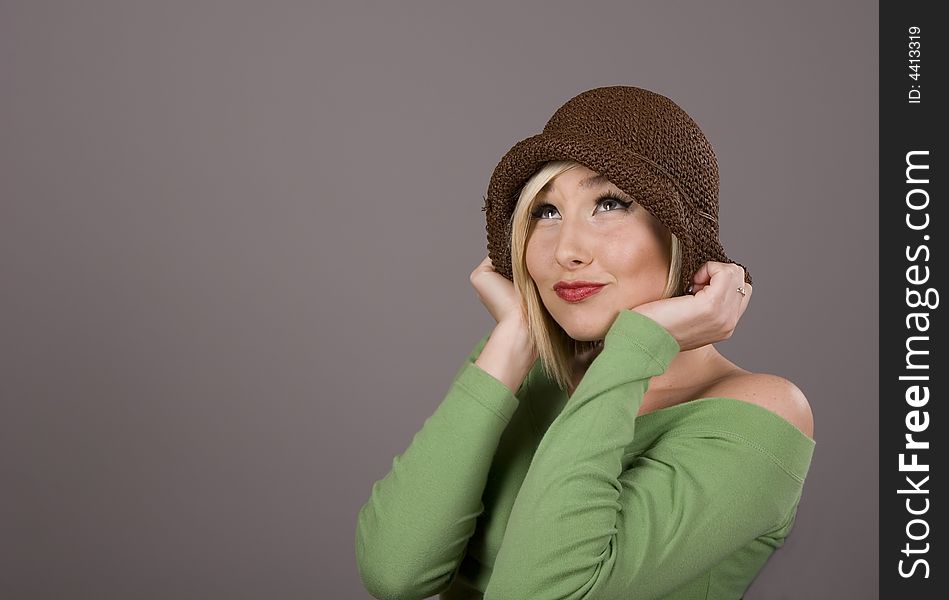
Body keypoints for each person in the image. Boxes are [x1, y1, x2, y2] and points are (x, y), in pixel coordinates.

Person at [355, 86, 816, 600]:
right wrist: (513, 340)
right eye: (545, 213)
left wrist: (641, 346)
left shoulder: (761, 413)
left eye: (609, 204)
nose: (567, 251)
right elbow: (394, 571)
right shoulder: (524, 370)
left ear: (681, 236)